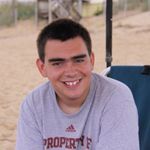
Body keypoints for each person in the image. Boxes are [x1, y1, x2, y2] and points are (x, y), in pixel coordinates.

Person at [16, 18, 139, 150]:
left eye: (79, 60)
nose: (70, 72)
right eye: (57, 63)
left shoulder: (116, 97)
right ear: (42, 67)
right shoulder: (33, 104)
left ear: (91, 60)